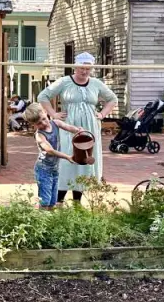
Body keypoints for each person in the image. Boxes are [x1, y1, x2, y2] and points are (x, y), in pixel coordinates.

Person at [37, 52, 118, 203]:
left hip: (90, 126)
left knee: (84, 156)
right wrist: (53, 114)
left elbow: (112, 99)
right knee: (68, 157)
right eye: (82, 68)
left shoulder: (96, 83)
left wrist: (102, 114)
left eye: (88, 68)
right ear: (75, 67)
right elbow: (43, 96)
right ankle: (59, 198)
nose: (84, 71)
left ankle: (77, 200)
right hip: (69, 125)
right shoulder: (64, 82)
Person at [23, 103, 87, 209]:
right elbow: (50, 150)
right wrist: (67, 157)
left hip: (54, 168)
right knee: (45, 199)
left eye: (44, 119)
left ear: (45, 112)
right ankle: (42, 220)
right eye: (39, 123)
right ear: (33, 125)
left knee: (53, 199)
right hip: (43, 170)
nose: (44, 123)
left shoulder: (55, 123)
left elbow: (67, 127)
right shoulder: (40, 135)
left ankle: (51, 222)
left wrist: (77, 130)